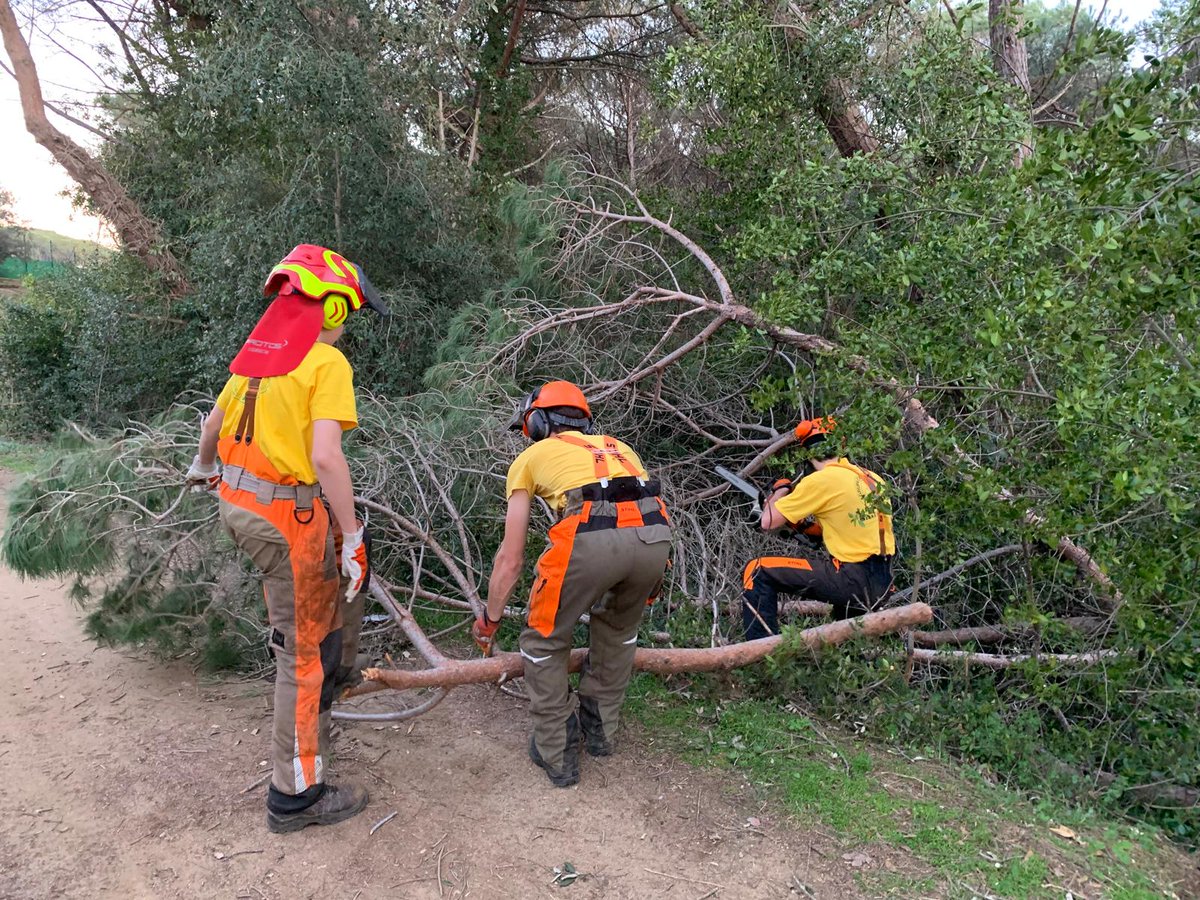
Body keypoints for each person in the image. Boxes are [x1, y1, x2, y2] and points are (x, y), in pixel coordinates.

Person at [185, 244, 387, 833]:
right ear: (334, 309)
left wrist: (203, 467)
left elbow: (214, 425)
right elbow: (326, 457)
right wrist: (352, 535)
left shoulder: (258, 356)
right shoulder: (325, 365)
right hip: (285, 519)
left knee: (314, 632)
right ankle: (294, 795)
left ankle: (320, 709)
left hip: (239, 504)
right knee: (302, 656)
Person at [472, 381, 672, 787]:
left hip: (589, 536)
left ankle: (557, 749)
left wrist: (490, 619)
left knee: (544, 641)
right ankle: (601, 732)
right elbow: (643, 506)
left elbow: (510, 559)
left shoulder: (530, 458)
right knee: (618, 633)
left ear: (538, 422)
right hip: (656, 537)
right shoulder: (620, 447)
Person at [742, 416, 895, 641]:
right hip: (882, 582)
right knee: (847, 639)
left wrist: (780, 490)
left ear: (808, 453)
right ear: (841, 446)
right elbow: (844, 527)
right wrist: (804, 528)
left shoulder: (822, 480)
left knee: (756, 570)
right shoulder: (873, 478)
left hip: (851, 578)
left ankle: (757, 652)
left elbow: (767, 521)